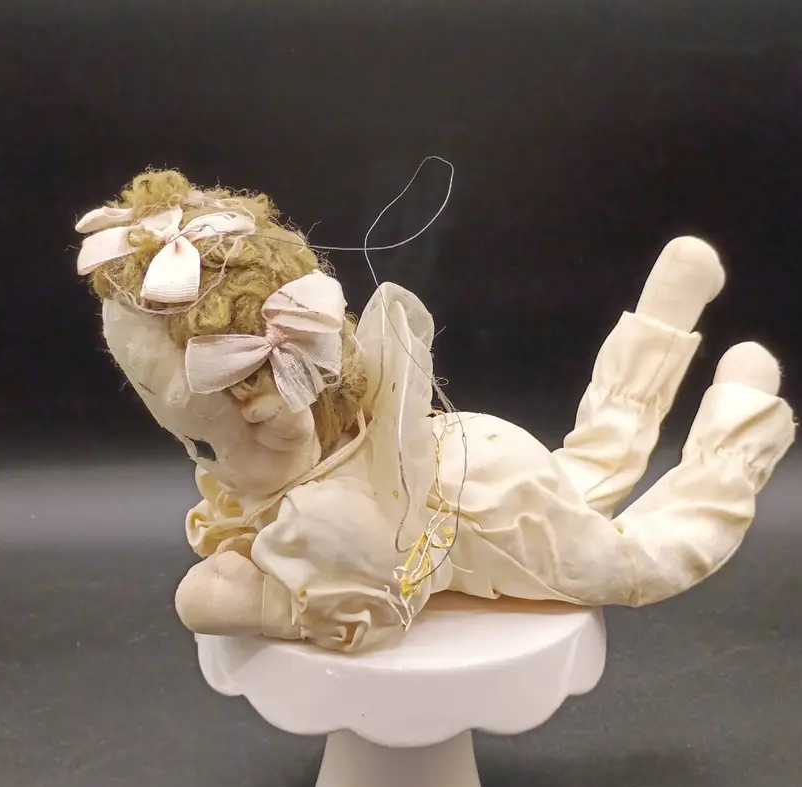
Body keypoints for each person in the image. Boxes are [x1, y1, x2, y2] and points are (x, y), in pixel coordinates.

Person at [77, 170, 796, 652]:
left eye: (200, 440)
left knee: (639, 559)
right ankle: (661, 320)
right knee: (583, 467)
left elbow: (370, 609)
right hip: (466, 451)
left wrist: (264, 605)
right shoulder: (323, 390)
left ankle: (737, 426)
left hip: (484, 517)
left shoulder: (327, 519)